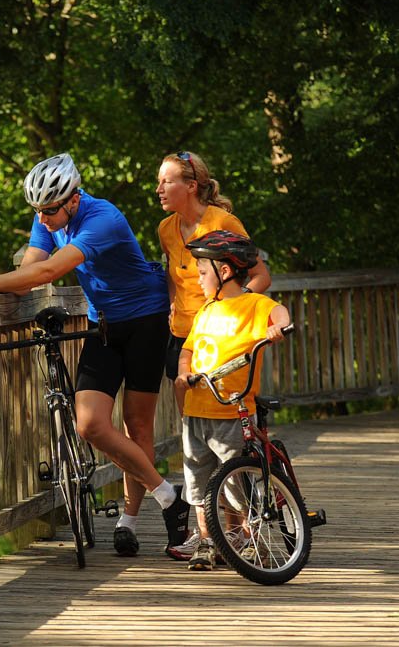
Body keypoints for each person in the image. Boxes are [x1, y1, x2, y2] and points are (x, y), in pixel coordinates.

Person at [0, 152, 190, 557]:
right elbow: (24, 278)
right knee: (90, 425)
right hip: (104, 324)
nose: (43, 220)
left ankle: (127, 520)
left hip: (146, 320)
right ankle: (168, 497)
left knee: (137, 427)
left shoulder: (102, 218)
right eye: (37, 211)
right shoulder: (48, 220)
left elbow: (48, 273)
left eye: (50, 210)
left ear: (73, 199)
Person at [171, 230, 291, 569]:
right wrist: (183, 372)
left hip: (230, 411)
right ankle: (208, 541)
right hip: (196, 409)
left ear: (224, 272)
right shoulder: (207, 310)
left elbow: (279, 311)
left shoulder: (253, 305)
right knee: (197, 481)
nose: (198, 277)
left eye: (203, 272)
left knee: (234, 481)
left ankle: (245, 537)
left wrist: (277, 328)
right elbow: (188, 349)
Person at [156, 151, 272, 413]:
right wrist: (173, 302)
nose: (158, 189)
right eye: (159, 182)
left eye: (167, 182)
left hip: (219, 336)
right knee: (189, 419)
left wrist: (231, 307)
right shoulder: (165, 229)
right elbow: (172, 271)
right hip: (182, 335)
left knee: (222, 417)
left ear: (191, 186)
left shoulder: (222, 223)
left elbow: (261, 276)